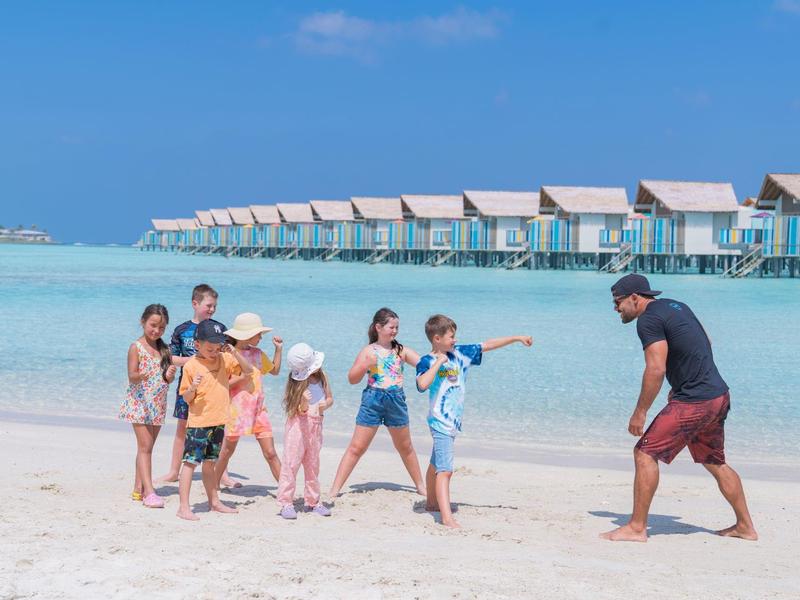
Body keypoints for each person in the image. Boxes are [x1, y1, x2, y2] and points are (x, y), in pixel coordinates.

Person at [601, 273, 757, 542]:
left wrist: (640, 412)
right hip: (718, 394)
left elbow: (656, 368)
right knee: (714, 461)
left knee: (644, 452)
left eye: (618, 302)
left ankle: (637, 528)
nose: (616, 308)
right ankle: (745, 527)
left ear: (635, 297)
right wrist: (688, 380)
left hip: (695, 400)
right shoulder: (677, 306)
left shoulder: (648, 320)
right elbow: (706, 341)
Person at [416, 314, 532, 528]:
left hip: (452, 422)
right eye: (451, 337)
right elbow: (422, 384)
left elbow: (487, 345)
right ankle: (447, 518)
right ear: (437, 339)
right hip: (440, 422)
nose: (455, 340)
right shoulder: (427, 361)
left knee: (436, 462)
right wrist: (439, 362)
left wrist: (516, 338)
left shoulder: (460, 353)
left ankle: (432, 502)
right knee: (445, 470)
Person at [329, 308, 425, 498]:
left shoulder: (401, 350)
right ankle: (335, 489)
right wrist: (365, 365)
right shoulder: (368, 351)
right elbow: (352, 378)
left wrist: (443, 365)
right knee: (357, 447)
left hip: (396, 400)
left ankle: (421, 486)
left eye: (397, 327)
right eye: (391, 327)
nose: (395, 331)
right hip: (372, 400)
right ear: (378, 327)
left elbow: (424, 364)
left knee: (405, 447)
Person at [157, 284, 238, 488]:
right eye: (208, 305)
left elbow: (228, 357)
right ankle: (174, 471)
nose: (212, 309)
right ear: (195, 303)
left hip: (215, 390)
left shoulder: (220, 329)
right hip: (189, 387)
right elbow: (170, 358)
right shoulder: (182, 330)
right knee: (182, 429)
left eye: (215, 306)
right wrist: (192, 361)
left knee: (218, 430)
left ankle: (222, 473)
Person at [176, 319, 253, 521]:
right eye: (209, 348)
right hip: (198, 423)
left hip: (218, 421)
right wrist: (192, 388)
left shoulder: (224, 359)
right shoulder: (191, 366)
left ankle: (214, 502)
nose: (214, 351)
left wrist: (234, 352)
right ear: (197, 344)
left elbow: (248, 371)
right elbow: (186, 398)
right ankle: (183, 507)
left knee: (210, 463)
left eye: (217, 347)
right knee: (190, 463)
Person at [214, 312, 283, 488]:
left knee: (270, 453)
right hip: (235, 412)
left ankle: (286, 491)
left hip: (259, 411)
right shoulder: (227, 356)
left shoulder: (258, 354)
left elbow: (275, 371)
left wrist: (278, 349)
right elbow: (220, 386)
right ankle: (213, 486)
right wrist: (242, 378)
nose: (261, 337)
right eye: (258, 334)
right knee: (226, 452)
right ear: (247, 335)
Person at [119, 304, 177, 508]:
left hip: (158, 405)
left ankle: (138, 488)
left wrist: (169, 375)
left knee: (147, 448)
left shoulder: (165, 349)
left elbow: (166, 379)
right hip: (139, 403)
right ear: (143, 322)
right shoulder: (136, 347)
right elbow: (132, 375)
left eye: (161, 328)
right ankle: (149, 492)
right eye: (153, 325)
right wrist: (141, 375)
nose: (156, 330)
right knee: (145, 447)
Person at [276, 343, 334, 519]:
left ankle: (313, 501)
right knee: (291, 464)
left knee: (313, 465)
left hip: (315, 426)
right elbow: (297, 410)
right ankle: (286, 502)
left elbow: (330, 398)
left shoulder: (322, 377)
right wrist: (303, 402)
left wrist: (324, 405)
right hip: (298, 428)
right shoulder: (298, 384)